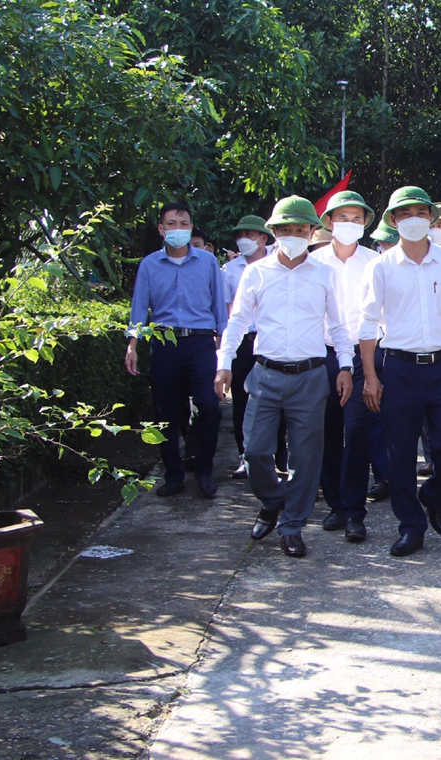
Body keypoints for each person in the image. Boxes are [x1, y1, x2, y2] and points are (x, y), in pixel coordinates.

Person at [214, 196, 354, 558]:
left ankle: (292, 526)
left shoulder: (325, 274)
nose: (293, 235)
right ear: (273, 233)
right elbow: (239, 321)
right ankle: (272, 500)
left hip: (310, 376)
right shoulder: (256, 272)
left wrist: (345, 367)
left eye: (301, 229)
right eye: (286, 229)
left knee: (306, 458)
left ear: (311, 232)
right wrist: (224, 361)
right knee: (257, 450)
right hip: (265, 374)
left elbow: (338, 326)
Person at [359, 186, 441, 558]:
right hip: (398, 368)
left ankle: (437, 496)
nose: (413, 219)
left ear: (431, 217)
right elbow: (366, 324)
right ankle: (411, 525)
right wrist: (371, 377)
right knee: (400, 452)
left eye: (420, 212)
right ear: (393, 221)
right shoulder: (380, 266)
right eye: (404, 213)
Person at [126, 203, 226, 499]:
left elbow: (219, 308)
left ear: (191, 227)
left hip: (200, 342)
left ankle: (205, 470)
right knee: (165, 412)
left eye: (184, 223)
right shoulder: (149, 265)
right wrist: (132, 345)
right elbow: (138, 309)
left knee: (209, 405)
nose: (178, 229)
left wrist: (224, 351)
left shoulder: (208, 263)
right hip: (165, 342)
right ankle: (173, 474)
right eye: (172, 223)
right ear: (161, 229)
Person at [311, 191, 381, 543]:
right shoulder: (314, 262)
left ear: (366, 223)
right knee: (326, 431)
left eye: (356, 218)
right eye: (342, 217)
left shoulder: (376, 261)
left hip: (362, 354)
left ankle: (355, 511)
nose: (349, 224)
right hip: (321, 354)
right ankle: (336, 504)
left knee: (357, 431)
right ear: (328, 222)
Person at [223, 215, 286, 480]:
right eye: (240, 235)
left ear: (263, 237)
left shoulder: (280, 263)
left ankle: (282, 459)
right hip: (244, 343)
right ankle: (244, 456)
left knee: (280, 404)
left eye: (250, 234)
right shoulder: (229, 271)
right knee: (242, 401)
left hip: (273, 341)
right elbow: (229, 313)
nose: (244, 240)